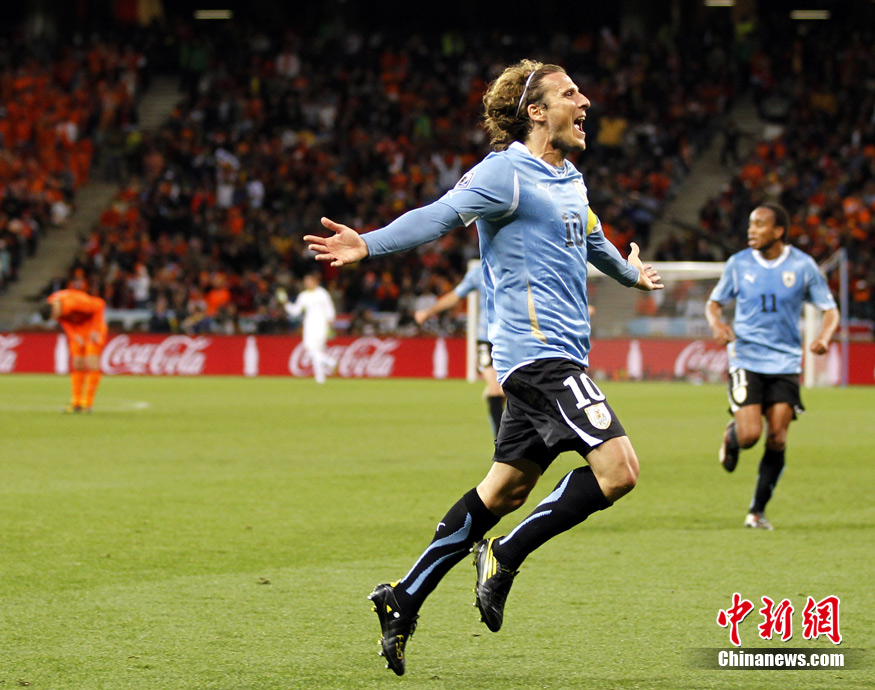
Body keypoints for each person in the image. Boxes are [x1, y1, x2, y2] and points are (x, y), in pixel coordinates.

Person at [304, 59, 663, 675]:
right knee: (619, 470)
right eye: (570, 94)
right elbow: (439, 215)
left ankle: (403, 598)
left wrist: (631, 275)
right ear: (536, 112)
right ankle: (506, 554)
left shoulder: (570, 179)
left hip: (555, 359)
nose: (585, 103)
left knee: (505, 490)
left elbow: (593, 240)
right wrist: (369, 242)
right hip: (539, 357)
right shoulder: (505, 172)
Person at [706, 202, 839, 530]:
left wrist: (824, 336)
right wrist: (717, 325)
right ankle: (734, 435)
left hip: (785, 362)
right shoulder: (738, 263)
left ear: (778, 231)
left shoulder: (803, 266)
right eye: (751, 224)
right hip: (746, 358)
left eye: (760, 224)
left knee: (777, 438)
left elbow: (830, 310)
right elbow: (714, 303)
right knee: (751, 436)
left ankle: (757, 512)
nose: (751, 230)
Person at [414, 262, 505, 438]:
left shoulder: (518, 265)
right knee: (495, 388)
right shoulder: (478, 272)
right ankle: (500, 440)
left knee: (508, 391)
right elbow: (456, 295)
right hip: (485, 337)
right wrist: (429, 312)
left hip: (512, 338)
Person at [41, 288, 108, 413]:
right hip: (77, 329)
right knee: (77, 364)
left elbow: (99, 305)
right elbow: (63, 321)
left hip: (92, 327)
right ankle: (76, 403)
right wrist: (74, 335)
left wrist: (95, 330)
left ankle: (87, 404)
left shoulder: (75, 302)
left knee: (92, 363)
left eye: (54, 315)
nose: (56, 318)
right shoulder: (53, 303)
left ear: (54, 308)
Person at [277, 272, 336, 384]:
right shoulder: (304, 295)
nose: (307, 283)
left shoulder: (322, 294)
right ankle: (322, 374)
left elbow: (330, 310)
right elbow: (295, 311)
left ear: (315, 282)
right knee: (311, 349)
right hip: (309, 325)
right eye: (305, 282)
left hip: (321, 325)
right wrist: (285, 303)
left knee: (315, 350)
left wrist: (330, 324)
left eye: (309, 281)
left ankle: (326, 368)